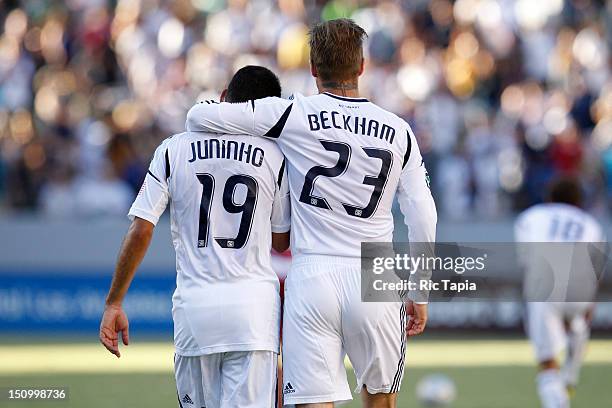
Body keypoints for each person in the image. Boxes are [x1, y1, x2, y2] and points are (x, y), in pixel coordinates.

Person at [185, 18, 437, 408]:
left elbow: (198, 118)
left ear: (313, 69)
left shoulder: (291, 113)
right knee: (381, 401)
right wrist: (419, 290)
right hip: (376, 269)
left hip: (313, 270)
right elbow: (423, 215)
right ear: (361, 67)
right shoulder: (398, 129)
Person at [99, 66, 291, 408]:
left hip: (195, 313)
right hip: (253, 314)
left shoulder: (172, 150)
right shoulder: (275, 158)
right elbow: (281, 241)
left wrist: (114, 302)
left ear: (222, 98)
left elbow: (142, 228)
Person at [515, 178, 606, 408]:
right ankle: (570, 372)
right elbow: (596, 270)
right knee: (577, 322)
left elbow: (526, 261)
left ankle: (557, 395)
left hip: (545, 285)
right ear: (579, 203)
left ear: (549, 198)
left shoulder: (531, 216)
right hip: (581, 287)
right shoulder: (591, 224)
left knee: (547, 364)